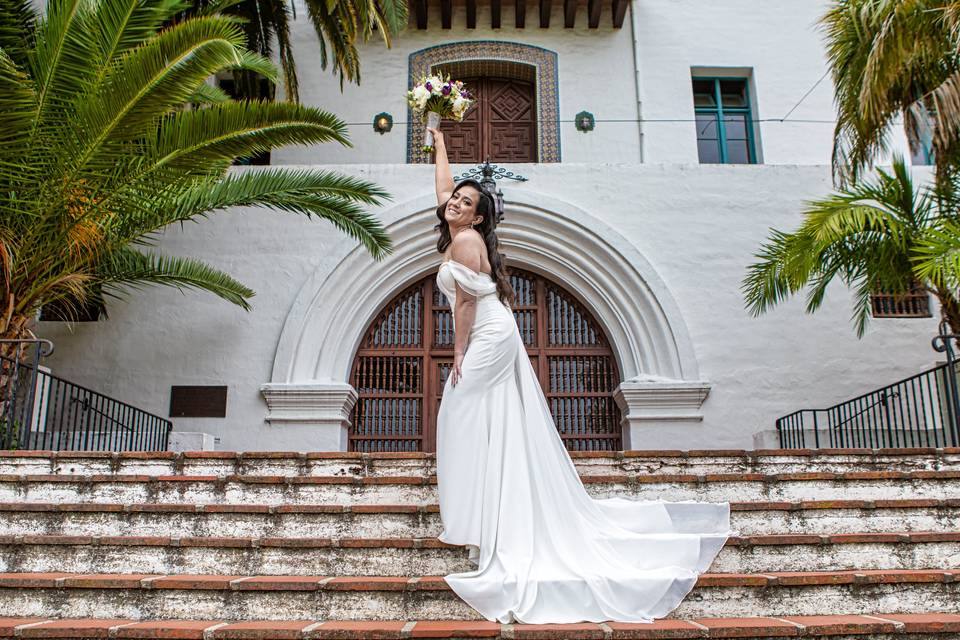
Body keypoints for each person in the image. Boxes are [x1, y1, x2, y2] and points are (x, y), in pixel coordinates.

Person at [427, 126, 737, 624]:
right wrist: (439, 139)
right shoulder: (459, 224)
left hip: (487, 334)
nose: (453, 204)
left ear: (478, 216)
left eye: (464, 202)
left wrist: (457, 351)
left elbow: (464, 302)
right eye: (455, 200)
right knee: (480, 413)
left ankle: (491, 515)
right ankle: (489, 509)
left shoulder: (465, 243)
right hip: (494, 329)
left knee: (460, 407)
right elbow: (442, 188)